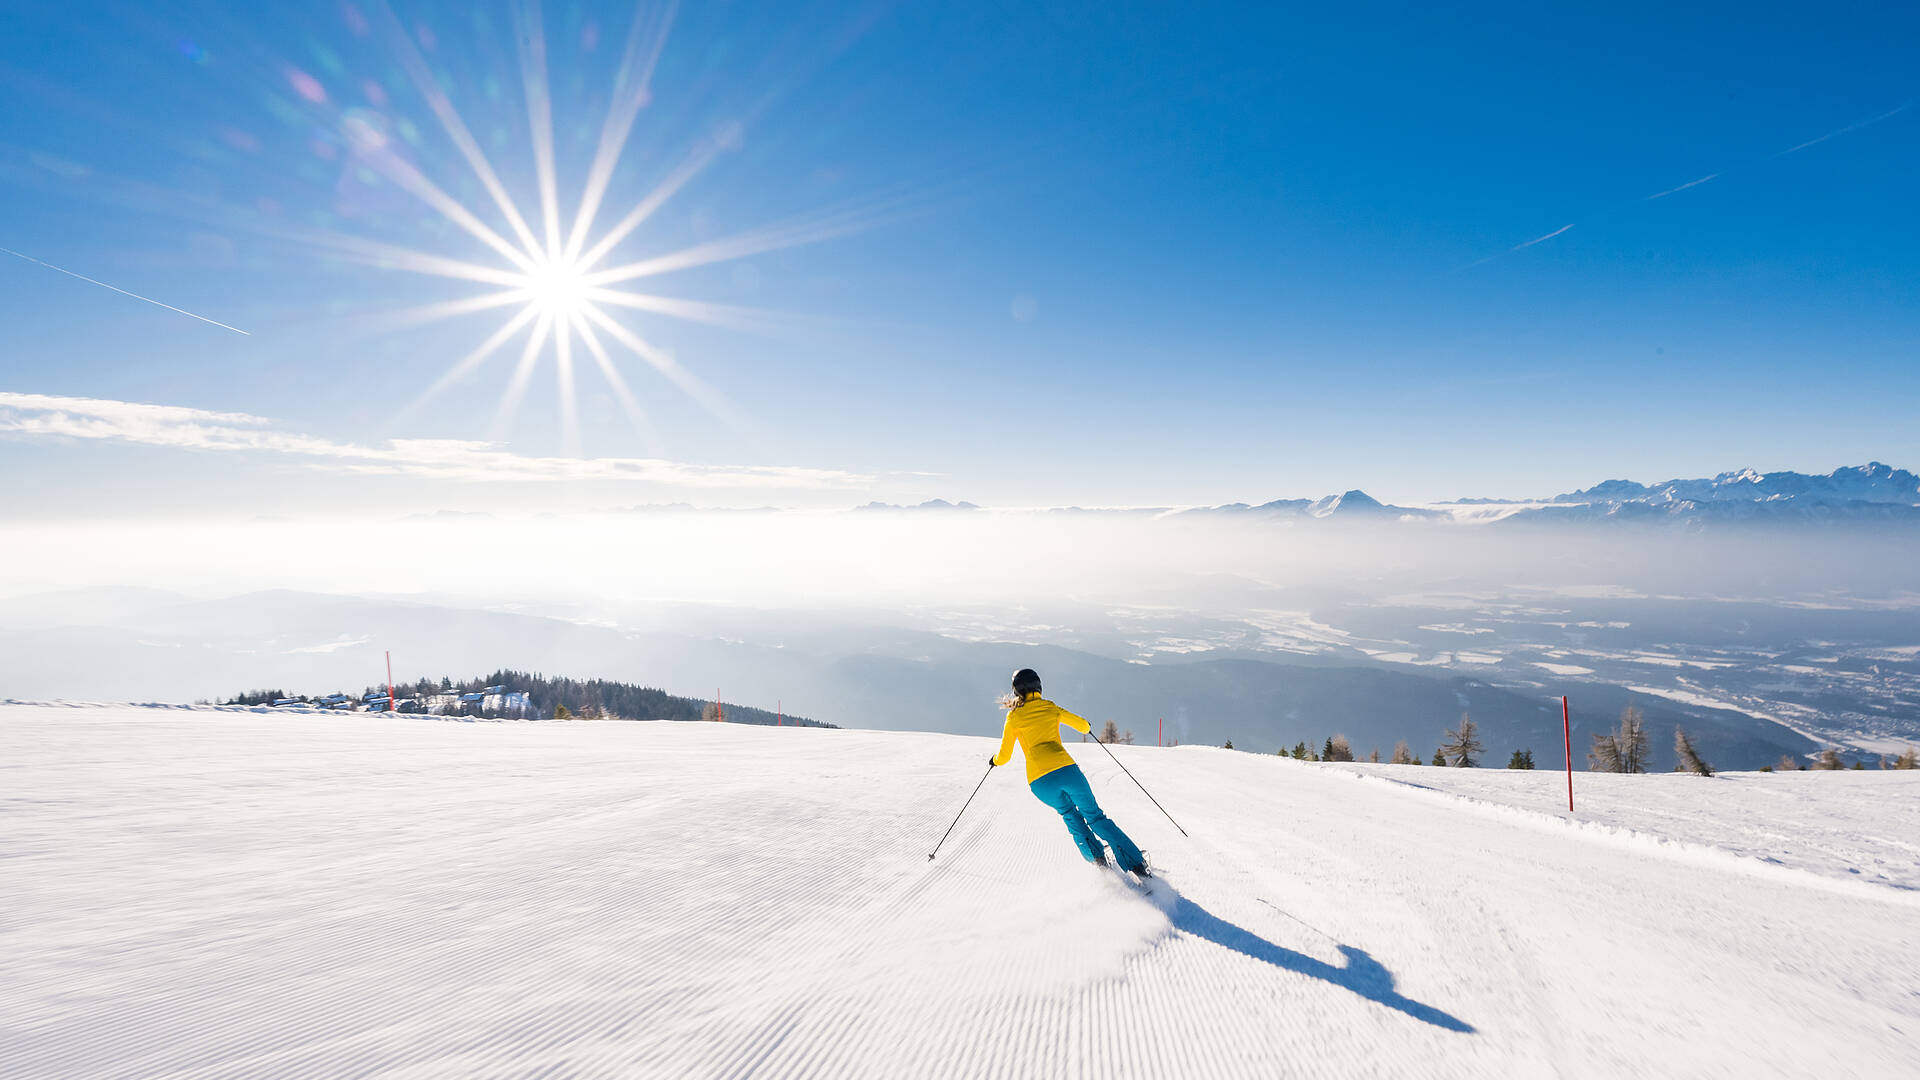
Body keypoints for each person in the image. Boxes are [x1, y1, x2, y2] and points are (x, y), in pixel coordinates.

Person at [990, 668, 1149, 877]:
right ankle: (1136, 865)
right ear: (1038, 687)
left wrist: (994, 761)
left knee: (1069, 814)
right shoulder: (1050, 708)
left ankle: (1098, 859)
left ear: (1016, 692)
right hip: (1066, 771)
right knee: (1095, 817)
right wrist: (1087, 726)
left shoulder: (1013, 718)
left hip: (1040, 782)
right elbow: (1082, 726)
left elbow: (1004, 756)